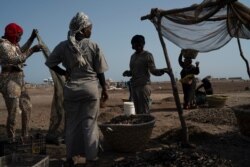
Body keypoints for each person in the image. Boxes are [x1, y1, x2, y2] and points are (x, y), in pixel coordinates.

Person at [45, 12, 108, 166]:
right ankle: (91, 157)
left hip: (71, 90)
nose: (91, 30)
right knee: (89, 123)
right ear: (82, 29)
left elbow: (50, 63)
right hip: (90, 89)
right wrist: (105, 89)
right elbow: (100, 71)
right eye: (89, 28)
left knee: (72, 123)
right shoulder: (93, 45)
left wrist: (65, 72)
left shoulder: (62, 46)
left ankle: (70, 157)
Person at [0, 23, 42, 139]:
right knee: (13, 112)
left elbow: (22, 50)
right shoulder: (3, 45)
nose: (20, 38)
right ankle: (11, 138)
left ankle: (25, 135)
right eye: (19, 35)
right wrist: (32, 50)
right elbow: (16, 59)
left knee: (27, 106)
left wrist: (31, 38)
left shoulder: (13, 45)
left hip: (19, 79)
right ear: (12, 33)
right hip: (9, 80)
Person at [123, 34, 168, 114]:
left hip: (144, 86)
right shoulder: (132, 57)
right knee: (137, 111)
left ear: (143, 44)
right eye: (135, 44)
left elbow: (153, 70)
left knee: (144, 111)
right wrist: (128, 73)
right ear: (133, 45)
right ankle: (140, 126)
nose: (137, 46)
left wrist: (162, 71)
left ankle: (146, 126)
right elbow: (133, 72)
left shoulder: (147, 55)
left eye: (140, 44)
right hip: (134, 86)